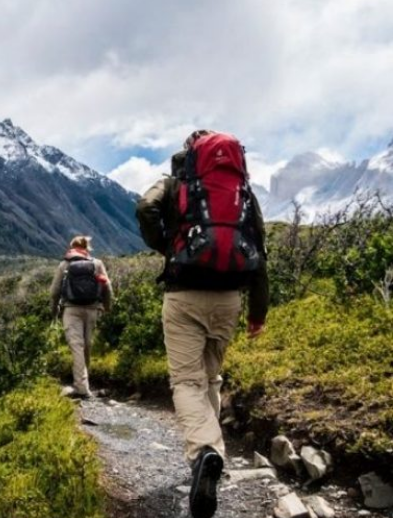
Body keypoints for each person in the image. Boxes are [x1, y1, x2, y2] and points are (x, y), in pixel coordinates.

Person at [136, 130, 269, 518]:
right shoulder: (241, 191)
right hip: (230, 297)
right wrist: (258, 311)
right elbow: (259, 247)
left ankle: (205, 452)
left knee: (186, 381)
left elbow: (145, 207)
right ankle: (213, 453)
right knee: (211, 378)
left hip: (184, 294)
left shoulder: (176, 183)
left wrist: (165, 245)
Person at [50, 235, 113, 398]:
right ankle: (84, 383)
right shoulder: (97, 264)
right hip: (92, 309)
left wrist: (54, 312)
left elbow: (54, 291)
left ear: (71, 247)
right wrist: (107, 307)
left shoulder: (64, 264)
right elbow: (107, 287)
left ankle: (82, 387)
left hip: (71, 310)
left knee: (76, 346)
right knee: (87, 345)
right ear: (87, 248)